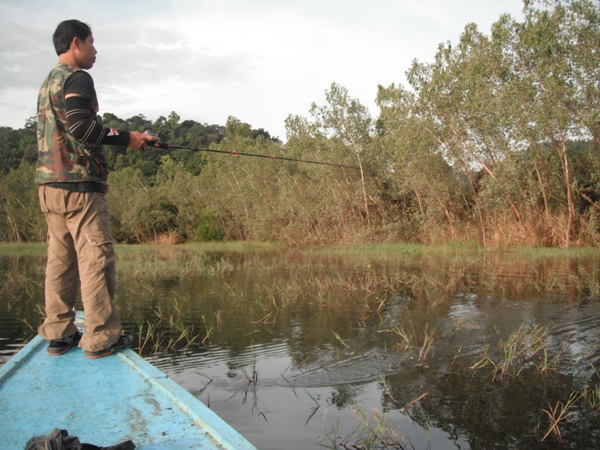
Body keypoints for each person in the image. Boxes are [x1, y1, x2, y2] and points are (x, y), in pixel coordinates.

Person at [35, 19, 158, 358]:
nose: (95, 50)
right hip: (79, 187)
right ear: (75, 43)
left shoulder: (48, 83)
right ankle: (101, 336)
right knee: (95, 258)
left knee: (60, 259)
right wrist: (129, 138)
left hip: (49, 186)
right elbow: (80, 125)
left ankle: (59, 332)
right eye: (91, 42)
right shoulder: (78, 77)